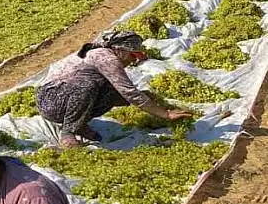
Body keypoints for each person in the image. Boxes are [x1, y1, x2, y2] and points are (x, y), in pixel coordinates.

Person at [35, 30, 192, 148]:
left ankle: (78, 124)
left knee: (113, 91)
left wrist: (146, 99)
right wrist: (166, 114)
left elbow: (125, 93)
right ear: (120, 50)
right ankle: (68, 133)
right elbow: (130, 92)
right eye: (132, 56)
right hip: (51, 100)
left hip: (65, 97)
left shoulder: (110, 55)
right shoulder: (106, 57)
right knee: (87, 87)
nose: (133, 61)